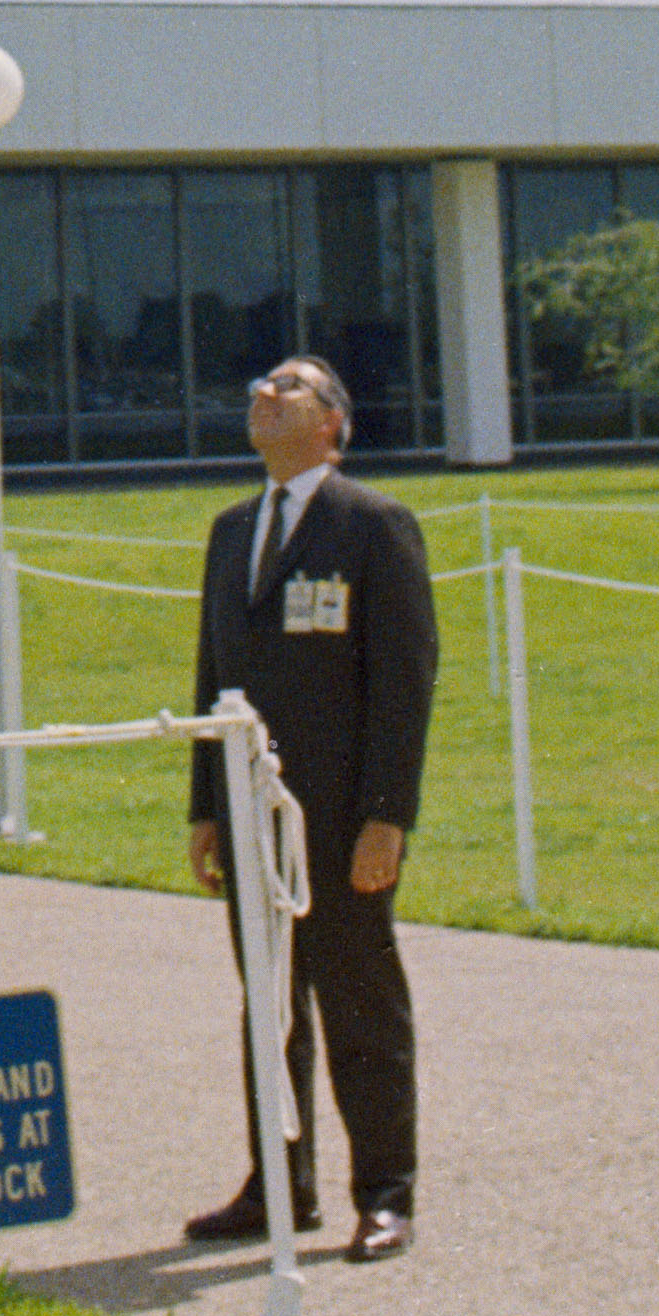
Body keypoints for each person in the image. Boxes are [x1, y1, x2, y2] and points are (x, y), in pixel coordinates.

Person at [185, 352, 438, 1264]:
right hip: (251, 815)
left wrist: (386, 816)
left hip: (339, 817)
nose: (262, 392)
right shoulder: (229, 531)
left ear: (332, 422)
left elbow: (403, 684)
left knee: (359, 999)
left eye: (287, 385)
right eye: (257, 383)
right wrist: (204, 805)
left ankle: (385, 1192)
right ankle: (276, 1184)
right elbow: (214, 676)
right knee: (269, 1001)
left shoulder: (373, 525)